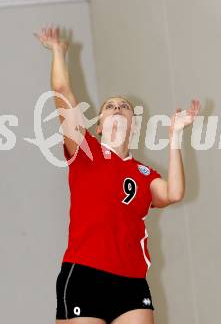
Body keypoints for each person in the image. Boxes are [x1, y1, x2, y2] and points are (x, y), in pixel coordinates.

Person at [34, 26, 200, 324]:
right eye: (110, 106)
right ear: (98, 125)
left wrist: (174, 136)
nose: (118, 108)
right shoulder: (85, 151)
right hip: (85, 274)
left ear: (133, 125)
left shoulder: (144, 173)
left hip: (131, 281)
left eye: (124, 106)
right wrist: (58, 52)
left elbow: (174, 193)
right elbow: (61, 92)